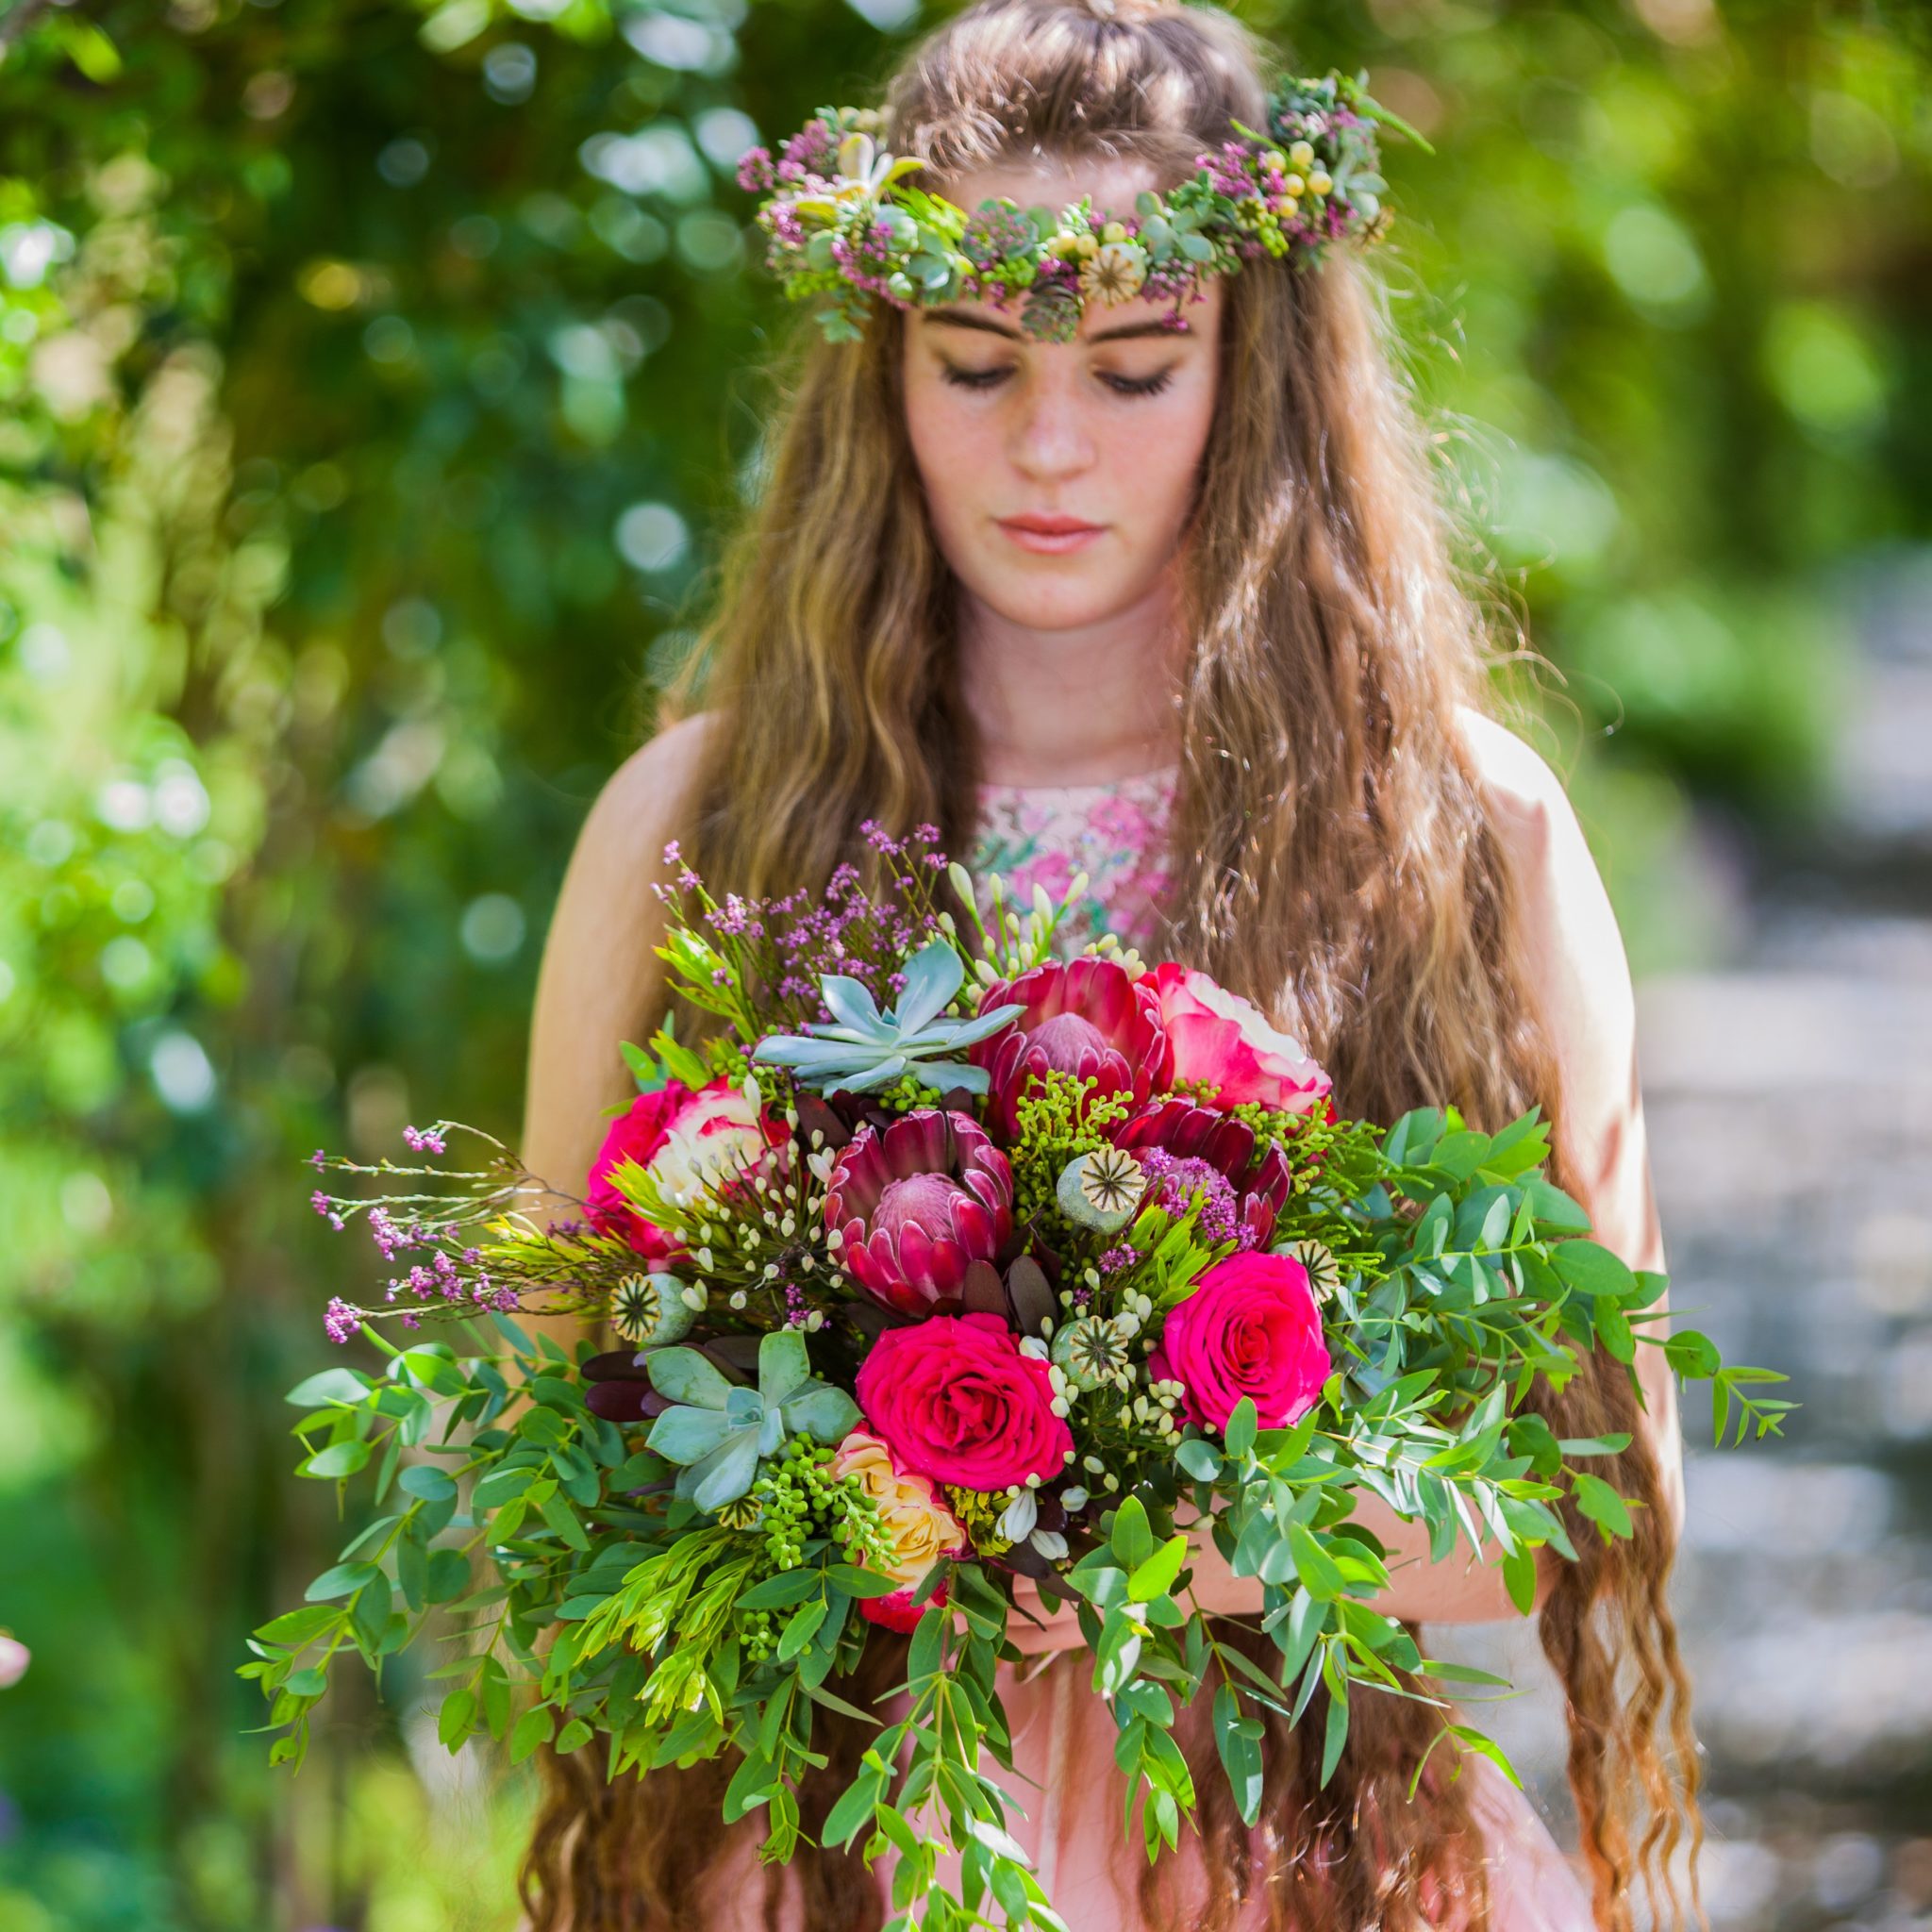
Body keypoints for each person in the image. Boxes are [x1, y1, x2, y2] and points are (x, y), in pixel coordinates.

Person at [516, 0, 1698, 1925]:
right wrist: (845, 1485)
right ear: (877, 366)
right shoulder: (689, 821)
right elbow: (544, 1428)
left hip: (1290, 1860)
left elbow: (1580, 1500)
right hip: (821, 1864)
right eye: (975, 365)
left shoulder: (1460, 832)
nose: (1047, 446)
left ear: (1262, 371)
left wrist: (1137, 1531)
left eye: (1136, 371)